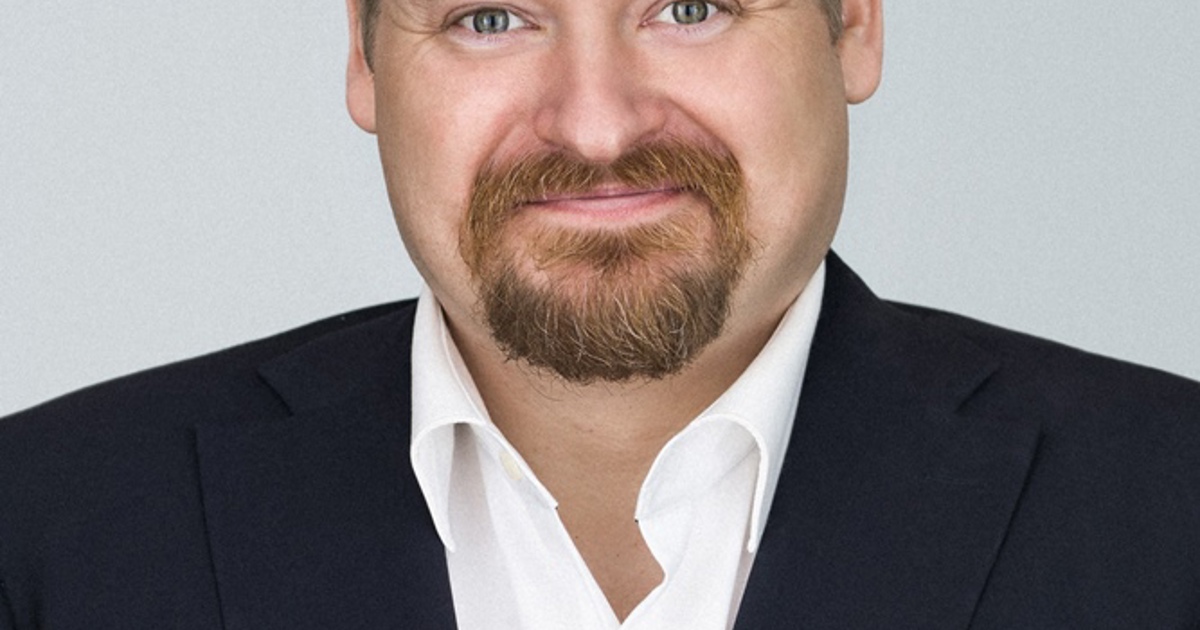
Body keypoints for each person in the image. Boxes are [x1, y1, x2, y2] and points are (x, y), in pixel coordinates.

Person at [0, 0, 1196, 628]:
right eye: (489, 17)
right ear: (365, 58)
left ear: (856, 24)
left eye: (690, 5)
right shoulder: (48, 536)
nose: (597, 125)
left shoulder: (1169, 520)